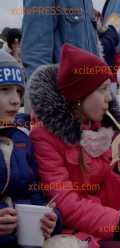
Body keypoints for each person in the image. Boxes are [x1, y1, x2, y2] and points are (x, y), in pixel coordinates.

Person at [29, 44, 120, 248]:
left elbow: (105, 202)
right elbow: (65, 205)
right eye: (102, 90)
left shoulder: (100, 131)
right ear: (79, 96)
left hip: (99, 227)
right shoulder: (45, 136)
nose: (109, 98)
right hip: (73, 235)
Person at [0, 50, 62, 247]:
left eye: (19, 91)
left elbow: (37, 194)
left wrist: (52, 218)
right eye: (5, 90)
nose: (16, 100)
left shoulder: (22, 138)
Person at [21, 0, 100, 113]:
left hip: (88, 106)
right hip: (63, 108)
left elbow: (93, 52)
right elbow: (35, 54)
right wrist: (45, 111)